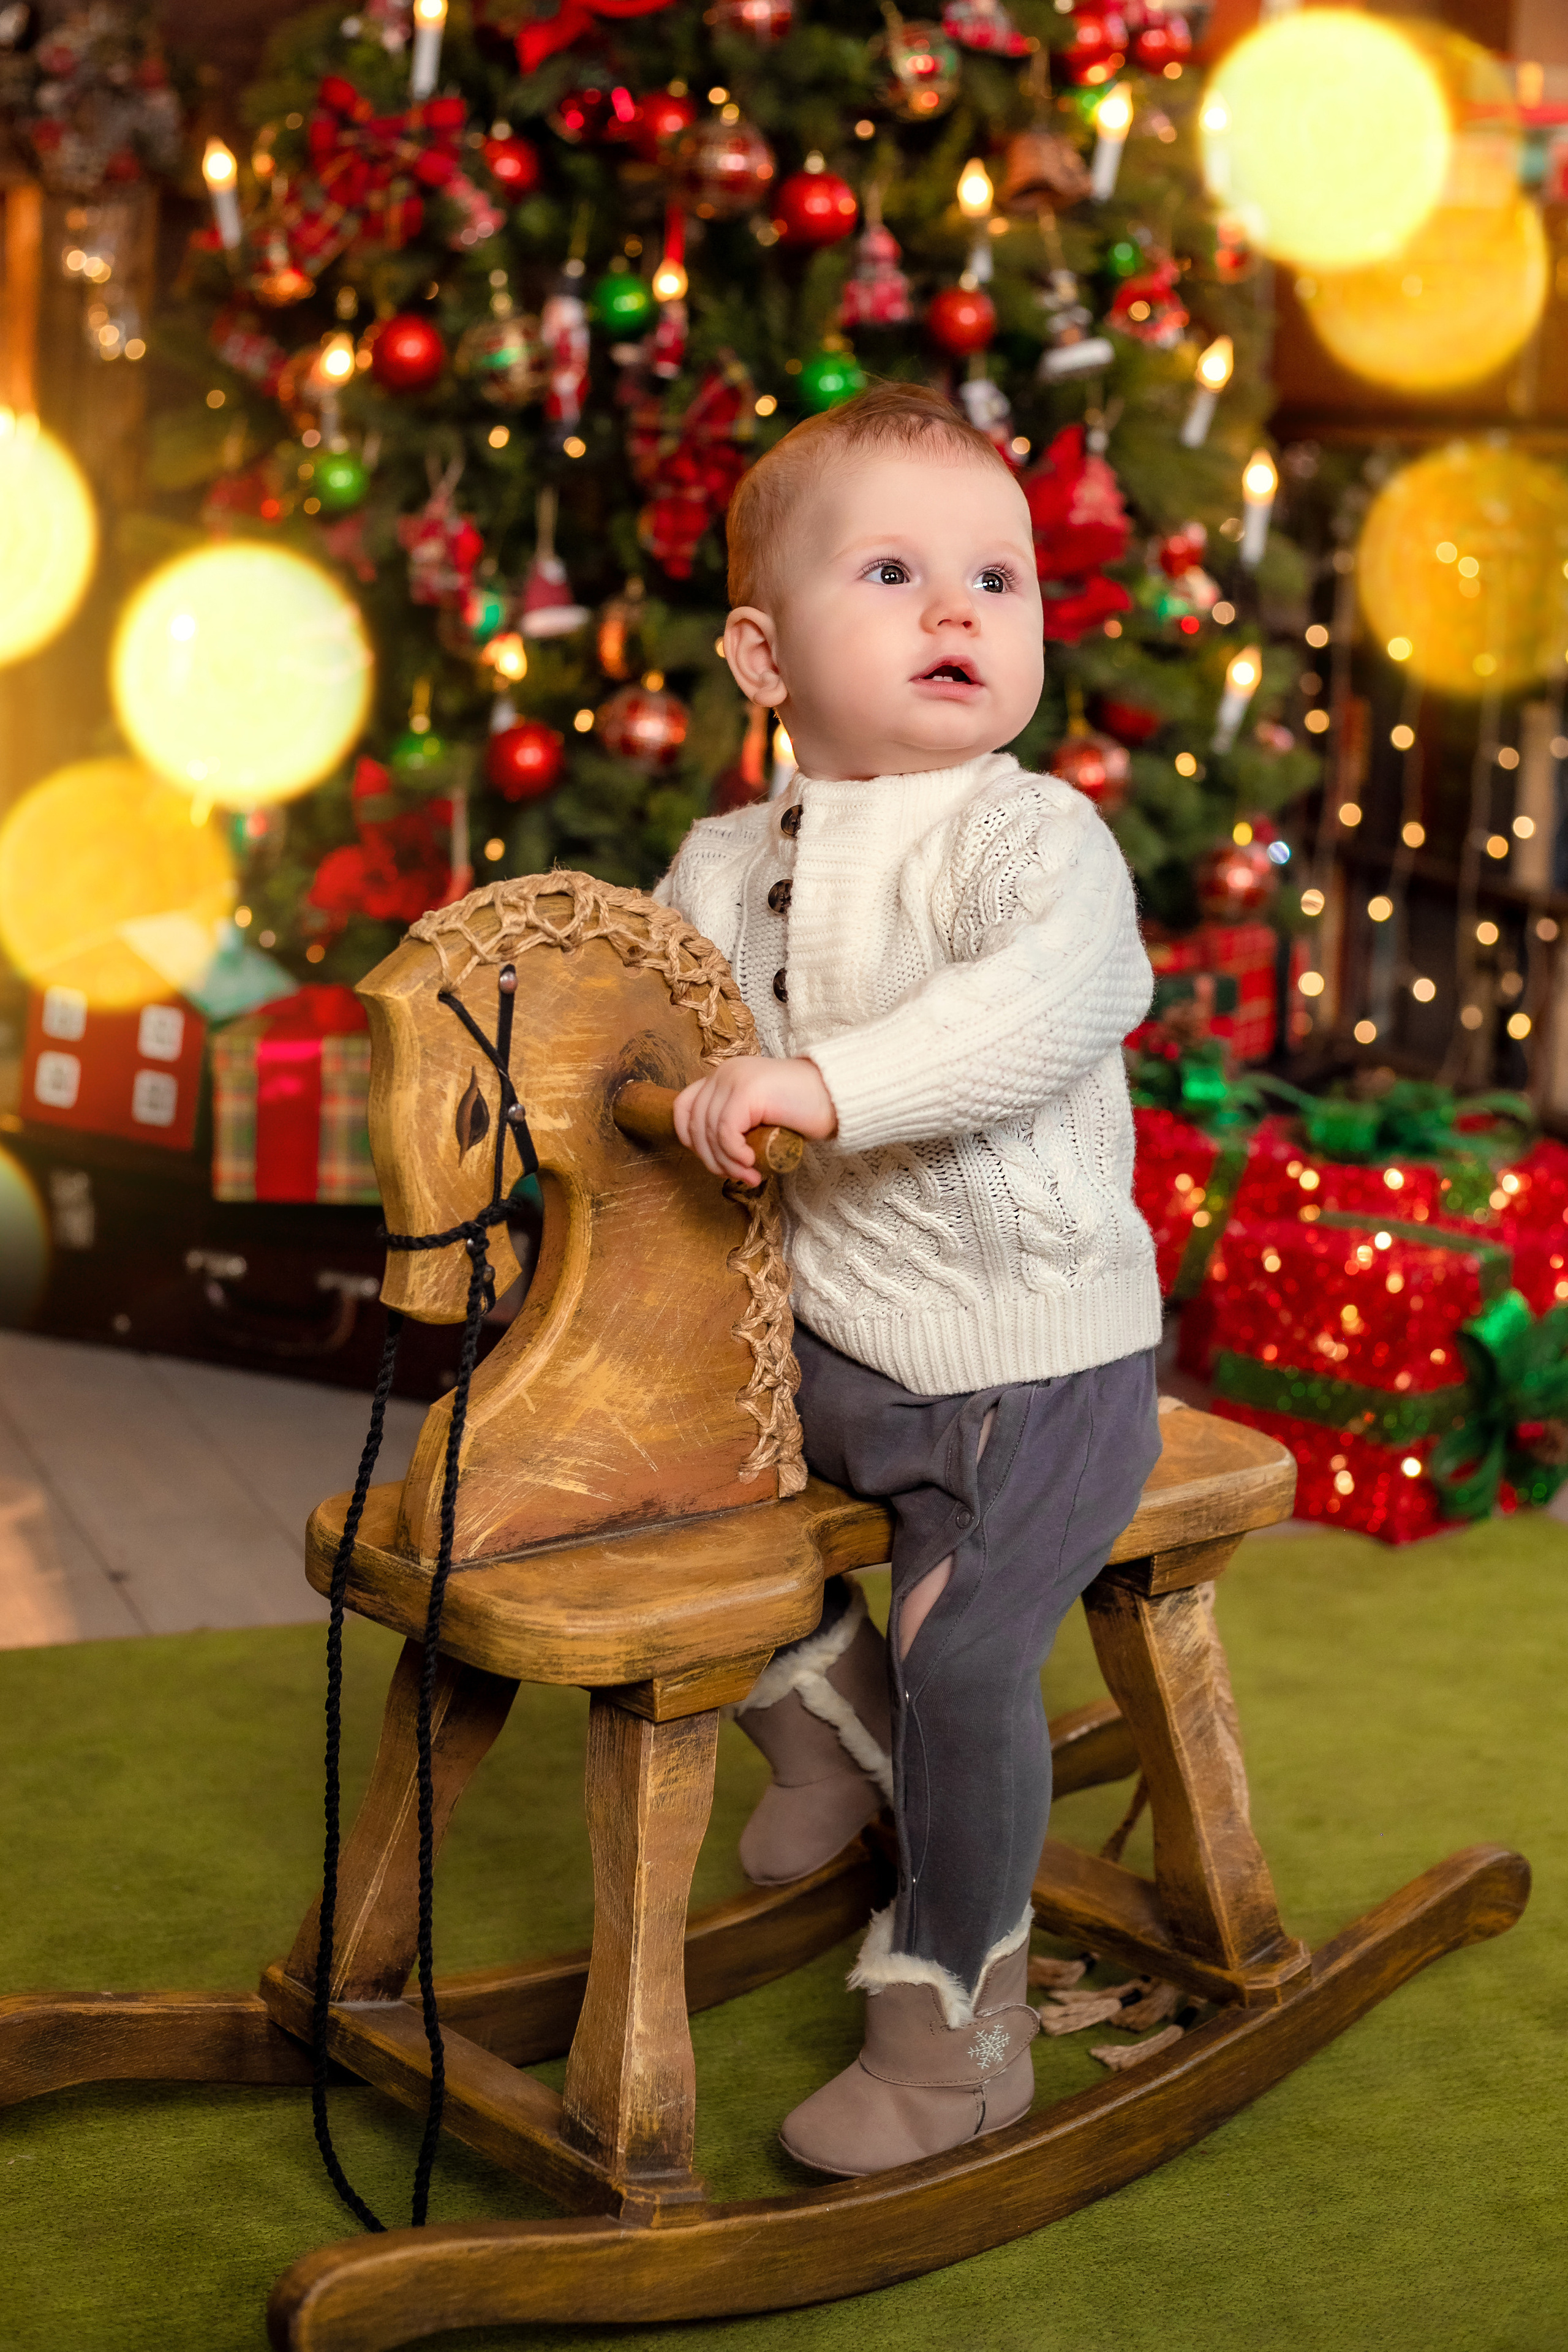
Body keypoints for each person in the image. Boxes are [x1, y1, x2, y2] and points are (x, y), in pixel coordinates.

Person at [652, 382, 1163, 2179]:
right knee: (664, 1487)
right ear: (764, 654)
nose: (961, 611)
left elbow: (1043, 1010)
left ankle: (953, 2030)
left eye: (998, 577)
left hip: (1035, 1361)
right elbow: (649, 1038)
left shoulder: (1034, 844)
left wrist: (821, 1088)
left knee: (968, 1660)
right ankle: (824, 1730)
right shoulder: (724, 865)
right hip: (831, 1344)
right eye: (894, 571)